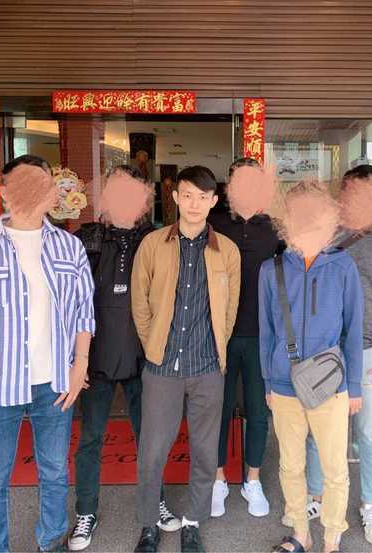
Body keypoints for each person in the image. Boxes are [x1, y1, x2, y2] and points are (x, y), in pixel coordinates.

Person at [0, 154, 95, 553]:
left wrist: (79, 365)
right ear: (4, 192)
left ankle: (51, 541)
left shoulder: (69, 247)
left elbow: (84, 312)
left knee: (54, 473)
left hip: (55, 382)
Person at [295, 165, 372, 545]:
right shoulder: (324, 237)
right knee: (319, 432)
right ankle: (316, 496)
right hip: (325, 351)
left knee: (371, 433)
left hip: (371, 353)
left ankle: (370, 504)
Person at [69, 166, 179, 551]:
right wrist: (74, 358)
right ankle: (86, 511)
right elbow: (68, 301)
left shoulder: (157, 240)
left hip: (143, 357)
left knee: (149, 437)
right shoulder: (85, 239)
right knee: (90, 437)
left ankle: (155, 501)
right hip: (94, 356)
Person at [131, 165, 241, 553]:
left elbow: (229, 311)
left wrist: (216, 348)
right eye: (188, 195)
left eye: (203, 197)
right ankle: (148, 525)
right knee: (152, 451)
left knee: (206, 451)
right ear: (175, 197)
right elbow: (140, 303)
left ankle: (193, 522)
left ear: (214, 201)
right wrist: (153, 347)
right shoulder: (153, 244)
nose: (195, 204)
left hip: (207, 367)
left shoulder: (227, 250)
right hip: (162, 366)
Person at [260, 182, 363, 553]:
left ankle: (332, 539)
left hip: (331, 386)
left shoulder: (343, 266)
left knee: (335, 469)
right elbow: (266, 331)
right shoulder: (270, 269)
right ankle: (300, 533)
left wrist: (355, 387)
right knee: (290, 465)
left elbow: (354, 330)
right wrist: (267, 382)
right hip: (284, 384)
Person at [208, 157, 282, 518]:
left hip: (261, 337)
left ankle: (252, 480)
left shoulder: (277, 230)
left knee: (258, 411)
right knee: (217, 411)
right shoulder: (214, 225)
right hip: (218, 335)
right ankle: (218, 479)